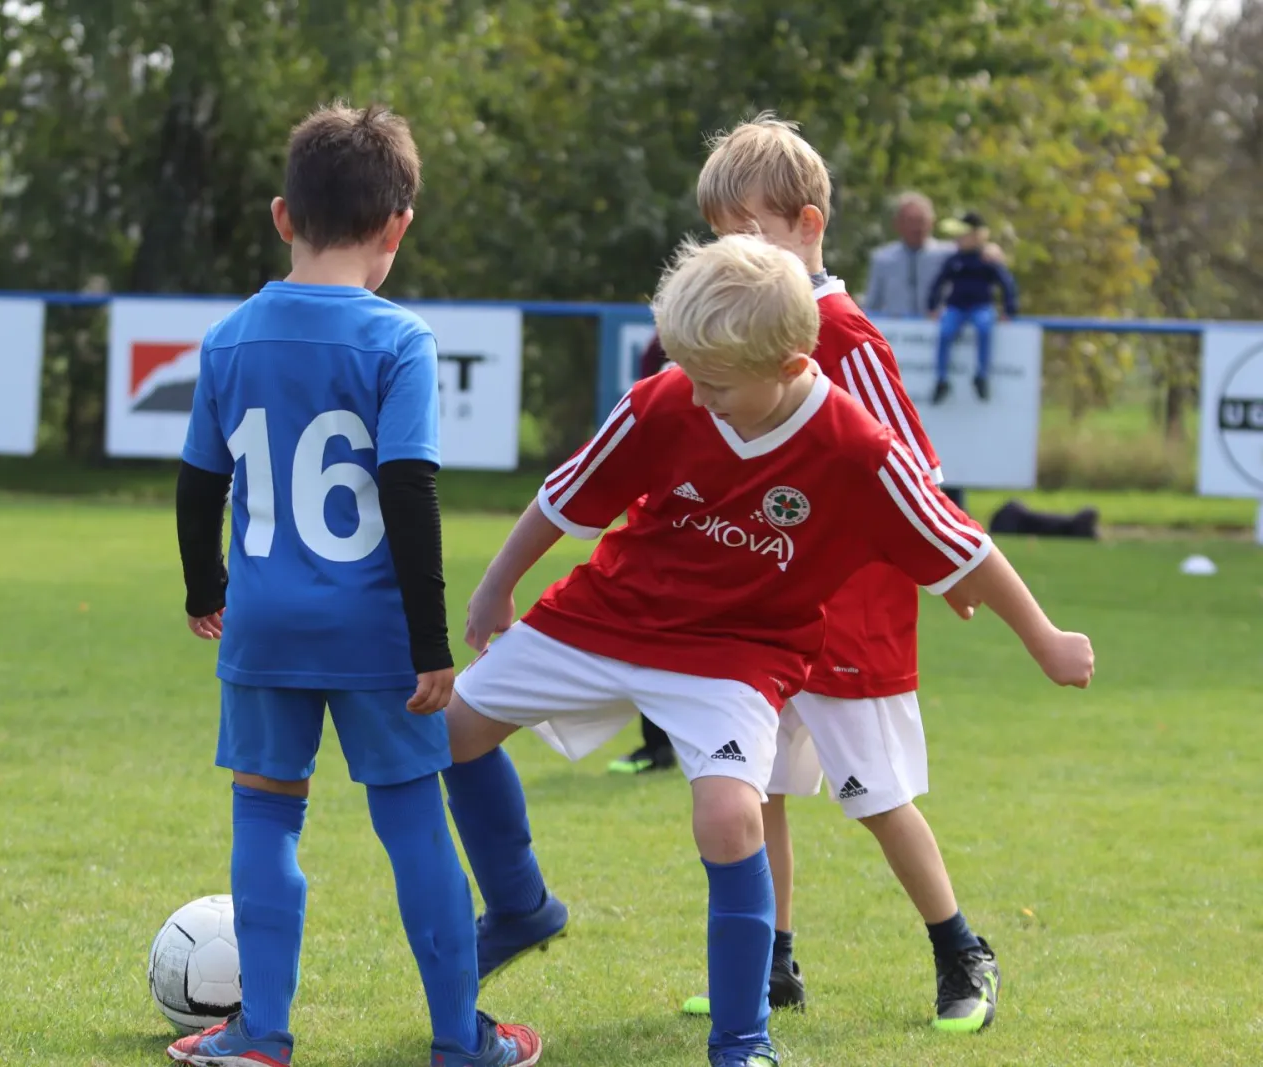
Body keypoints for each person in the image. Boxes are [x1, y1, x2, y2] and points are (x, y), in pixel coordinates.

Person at [437, 233, 1095, 1067]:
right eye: (687, 373)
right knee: (450, 730)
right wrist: (497, 584)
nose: (696, 395)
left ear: (788, 366)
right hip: (609, 613)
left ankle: (744, 1040)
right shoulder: (666, 397)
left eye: (715, 383)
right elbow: (565, 497)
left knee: (730, 814)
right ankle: (520, 905)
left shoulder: (857, 448)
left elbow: (964, 546)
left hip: (737, 652)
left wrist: (1046, 639)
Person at [170, 101, 541, 1067]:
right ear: (397, 227)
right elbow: (408, 491)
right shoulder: (399, 341)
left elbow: (199, 481)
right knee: (414, 823)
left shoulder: (229, 338)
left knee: (265, 814)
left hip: (263, 625)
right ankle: (461, 1039)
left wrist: (204, 586)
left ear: (283, 216)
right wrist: (430, 643)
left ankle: (261, 1033)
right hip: (375, 634)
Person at [676, 113, 1010, 1033]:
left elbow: (912, 474)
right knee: (758, 788)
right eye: (721, 236)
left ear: (808, 225)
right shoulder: (739, 335)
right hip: (762, 607)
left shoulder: (844, 335)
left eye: (750, 232)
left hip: (851, 611)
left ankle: (962, 949)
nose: (734, 253)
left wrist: (954, 572)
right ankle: (771, 965)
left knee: (878, 797)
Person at [607, 331, 677, 775]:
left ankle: (667, 746)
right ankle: (659, 744)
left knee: (664, 637)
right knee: (656, 635)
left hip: (707, 525)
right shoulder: (662, 346)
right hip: (668, 516)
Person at [927, 211, 1019, 404]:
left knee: (984, 328)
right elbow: (938, 283)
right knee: (945, 332)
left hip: (981, 306)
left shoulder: (987, 259)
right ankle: (942, 379)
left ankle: (981, 376)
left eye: (964, 234)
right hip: (956, 307)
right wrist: (932, 305)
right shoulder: (954, 259)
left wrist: (1009, 309)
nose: (959, 238)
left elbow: (1006, 283)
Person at [862, 192, 955, 318]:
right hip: (896, 328)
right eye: (911, 221)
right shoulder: (882, 259)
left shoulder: (949, 255)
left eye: (921, 221)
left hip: (939, 327)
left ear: (932, 222)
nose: (916, 227)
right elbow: (872, 304)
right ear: (898, 224)